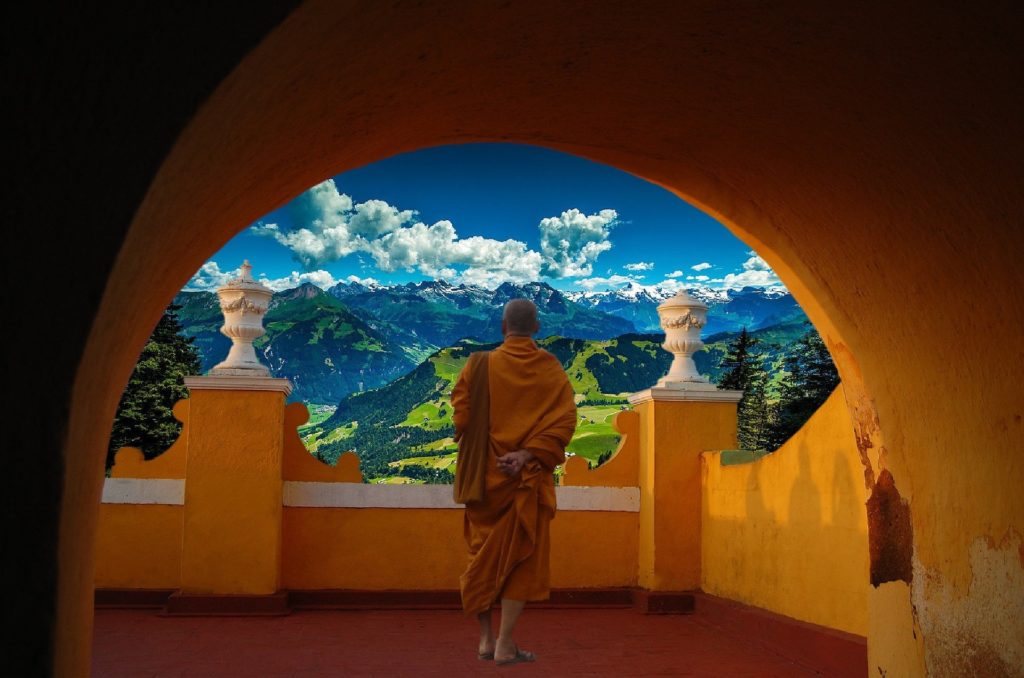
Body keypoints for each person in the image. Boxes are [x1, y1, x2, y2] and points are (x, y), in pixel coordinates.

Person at [451, 298, 577, 666]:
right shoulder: (550, 368)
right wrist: (525, 455)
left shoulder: (478, 365)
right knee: (519, 562)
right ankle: (506, 643)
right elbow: (565, 421)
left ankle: (487, 640)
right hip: (526, 478)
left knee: (480, 558)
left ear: (503, 327)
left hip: (484, 482)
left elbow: (461, 419)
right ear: (536, 327)